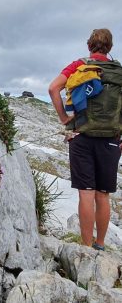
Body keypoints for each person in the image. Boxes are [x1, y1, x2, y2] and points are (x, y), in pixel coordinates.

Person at [48, 28, 122, 250]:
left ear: (89, 45)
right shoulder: (119, 71)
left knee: (86, 193)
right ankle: (100, 243)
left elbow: (53, 89)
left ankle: (86, 246)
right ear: (109, 47)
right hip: (111, 139)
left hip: (82, 136)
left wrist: (64, 119)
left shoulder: (79, 66)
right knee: (103, 194)